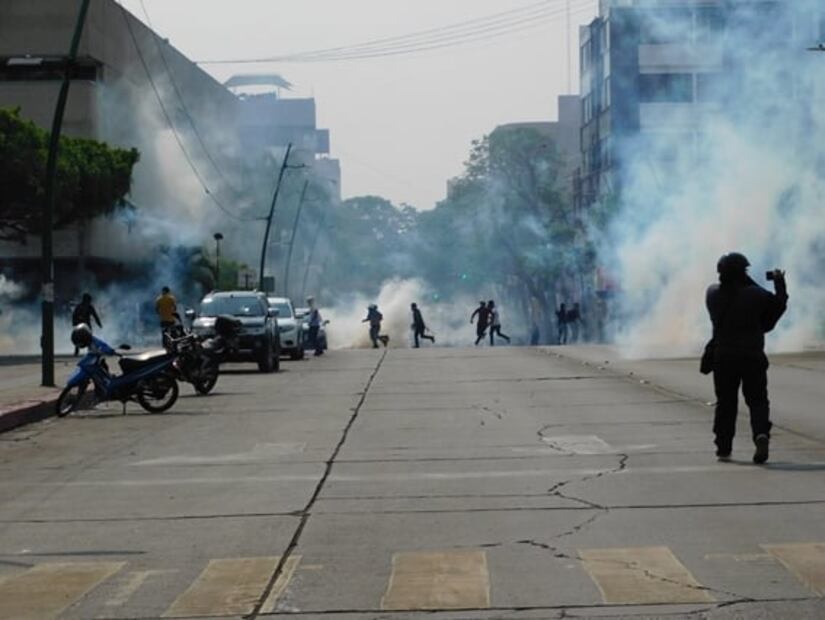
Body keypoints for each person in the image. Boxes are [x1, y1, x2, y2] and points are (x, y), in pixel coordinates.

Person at [706, 252, 788, 464]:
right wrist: (780, 283)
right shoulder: (754, 294)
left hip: (723, 357)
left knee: (725, 402)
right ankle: (760, 433)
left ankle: (723, 447)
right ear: (743, 272)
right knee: (758, 399)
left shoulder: (712, 294)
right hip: (752, 355)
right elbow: (777, 305)